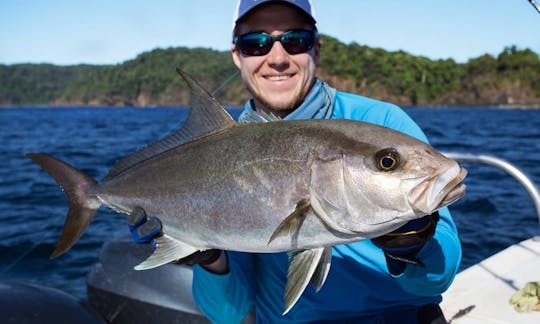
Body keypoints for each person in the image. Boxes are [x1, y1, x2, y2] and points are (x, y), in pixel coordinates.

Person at [129, 1, 461, 323]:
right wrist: (210, 257)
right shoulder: (219, 147)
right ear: (237, 55)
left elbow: (435, 280)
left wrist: (414, 244)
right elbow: (227, 315)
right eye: (255, 43)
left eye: (294, 41)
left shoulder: (380, 122)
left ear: (316, 48)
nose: (277, 58)